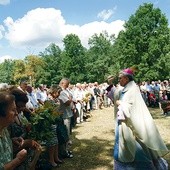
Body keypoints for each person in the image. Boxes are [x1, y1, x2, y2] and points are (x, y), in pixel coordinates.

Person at [113, 68, 169, 170]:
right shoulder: (125, 89)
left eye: (120, 78)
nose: (119, 81)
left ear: (126, 78)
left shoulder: (133, 89)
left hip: (132, 126)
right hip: (124, 124)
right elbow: (114, 94)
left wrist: (120, 103)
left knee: (137, 150)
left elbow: (132, 108)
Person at [0, 91, 27, 170]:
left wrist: (12, 141)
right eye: (13, 110)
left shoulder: (4, 129)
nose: (16, 113)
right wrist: (18, 159)